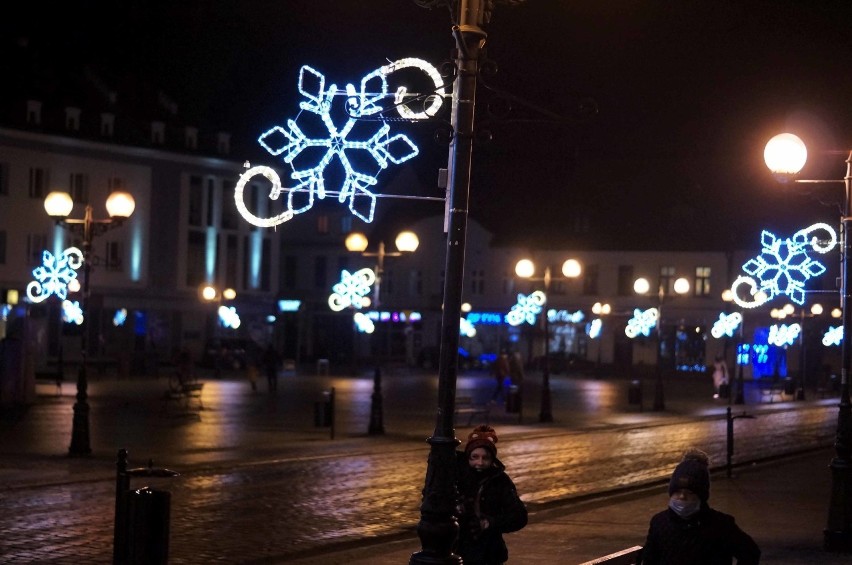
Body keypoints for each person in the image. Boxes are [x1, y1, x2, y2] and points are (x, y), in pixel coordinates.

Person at [639, 448, 760, 565]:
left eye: (689, 493)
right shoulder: (659, 523)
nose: (682, 497)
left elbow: (750, 552)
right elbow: (650, 559)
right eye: (677, 492)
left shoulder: (721, 525)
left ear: (701, 496)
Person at [455, 425, 528, 565]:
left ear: (492, 459)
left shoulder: (500, 481)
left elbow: (519, 516)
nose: (480, 463)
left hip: (488, 554)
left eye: (485, 458)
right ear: (467, 457)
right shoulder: (458, 476)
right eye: (474, 457)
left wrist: (490, 522)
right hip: (458, 550)